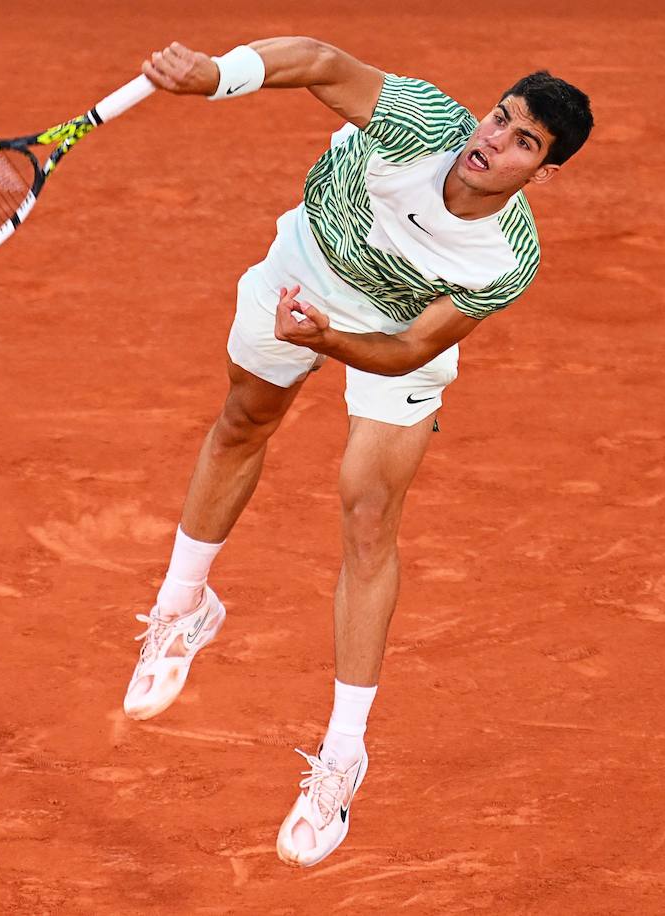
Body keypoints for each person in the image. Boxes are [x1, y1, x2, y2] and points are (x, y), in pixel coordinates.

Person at [122, 38, 593, 868]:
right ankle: (182, 609)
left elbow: (412, 348)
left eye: (525, 144)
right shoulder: (423, 123)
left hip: (382, 331)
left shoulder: (505, 260)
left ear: (543, 174)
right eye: (501, 117)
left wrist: (329, 338)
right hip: (304, 263)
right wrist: (215, 79)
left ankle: (341, 757)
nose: (493, 141)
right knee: (244, 420)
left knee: (370, 513)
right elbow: (316, 61)